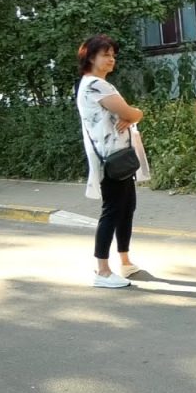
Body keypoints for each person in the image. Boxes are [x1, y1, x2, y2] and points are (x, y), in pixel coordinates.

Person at [76, 34, 144, 289]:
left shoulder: (95, 84)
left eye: (113, 55)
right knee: (113, 211)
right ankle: (102, 270)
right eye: (105, 54)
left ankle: (124, 261)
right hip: (110, 159)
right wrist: (134, 113)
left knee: (126, 208)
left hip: (118, 156)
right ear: (90, 57)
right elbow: (131, 113)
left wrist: (130, 114)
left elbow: (127, 114)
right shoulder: (95, 85)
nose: (111, 59)